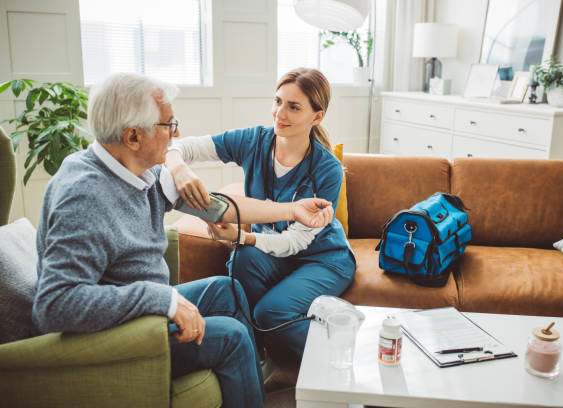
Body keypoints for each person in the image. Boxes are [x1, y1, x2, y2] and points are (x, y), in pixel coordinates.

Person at [31, 72, 335, 408]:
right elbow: (54, 306)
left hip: (146, 311)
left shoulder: (141, 172)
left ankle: (249, 391)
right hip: (119, 332)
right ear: (133, 136)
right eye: (168, 124)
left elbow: (218, 209)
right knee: (231, 337)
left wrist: (293, 210)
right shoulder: (84, 197)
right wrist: (163, 299)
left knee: (227, 289)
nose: (176, 133)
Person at [165, 68, 357, 360]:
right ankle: (252, 354)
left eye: (294, 107)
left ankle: (342, 362)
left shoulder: (326, 169)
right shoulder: (253, 141)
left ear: (317, 116)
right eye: (278, 101)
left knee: (270, 311)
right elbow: (179, 146)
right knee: (242, 258)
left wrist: (243, 236)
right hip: (274, 255)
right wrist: (178, 167)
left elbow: (295, 242)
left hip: (322, 258)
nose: (280, 113)